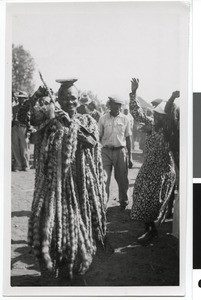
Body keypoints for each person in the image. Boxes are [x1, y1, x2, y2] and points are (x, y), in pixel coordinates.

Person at [27, 79, 107, 285]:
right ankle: (58, 268)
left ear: (78, 99)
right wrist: (37, 95)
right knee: (51, 225)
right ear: (58, 99)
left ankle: (73, 270)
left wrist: (70, 123)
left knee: (78, 226)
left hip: (79, 186)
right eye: (65, 98)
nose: (70, 101)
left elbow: (91, 142)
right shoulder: (49, 117)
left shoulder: (86, 120)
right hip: (53, 185)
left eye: (73, 97)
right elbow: (23, 118)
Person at [129, 78, 179, 244]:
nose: (155, 117)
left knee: (153, 202)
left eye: (159, 115)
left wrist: (171, 99)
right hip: (148, 168)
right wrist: (134, 92)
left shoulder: (169, 132)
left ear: (166, 118)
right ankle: (149, 229)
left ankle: (152, 230)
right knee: (140, 196)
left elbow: (171, 120)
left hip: (162, 171)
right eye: (155, 114)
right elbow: (137, 113)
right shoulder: (151, 124)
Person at [98, 95, 133, 210]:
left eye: (119, 105)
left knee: (122, 178)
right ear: (110, 105)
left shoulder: (125, 119)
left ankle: (123, 202)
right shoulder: (103, 119)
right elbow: (99, 136)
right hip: (105, 151)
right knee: (104, 178)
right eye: (115, 104)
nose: (118, 107)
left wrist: (130, 157)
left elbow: (128, 138)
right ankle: (103, 203)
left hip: (120, 151)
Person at [12, 91, 31, 171]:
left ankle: (25, 165)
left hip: (23, 128)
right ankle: (17, 165)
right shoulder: (14, 107)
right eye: (19, 98)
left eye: (22, 98)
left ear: (25, 99)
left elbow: (29, 120)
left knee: (24, 147)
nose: (21, 100)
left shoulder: (27, 108)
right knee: (15, 146)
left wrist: (28, 130)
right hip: (15, 127)